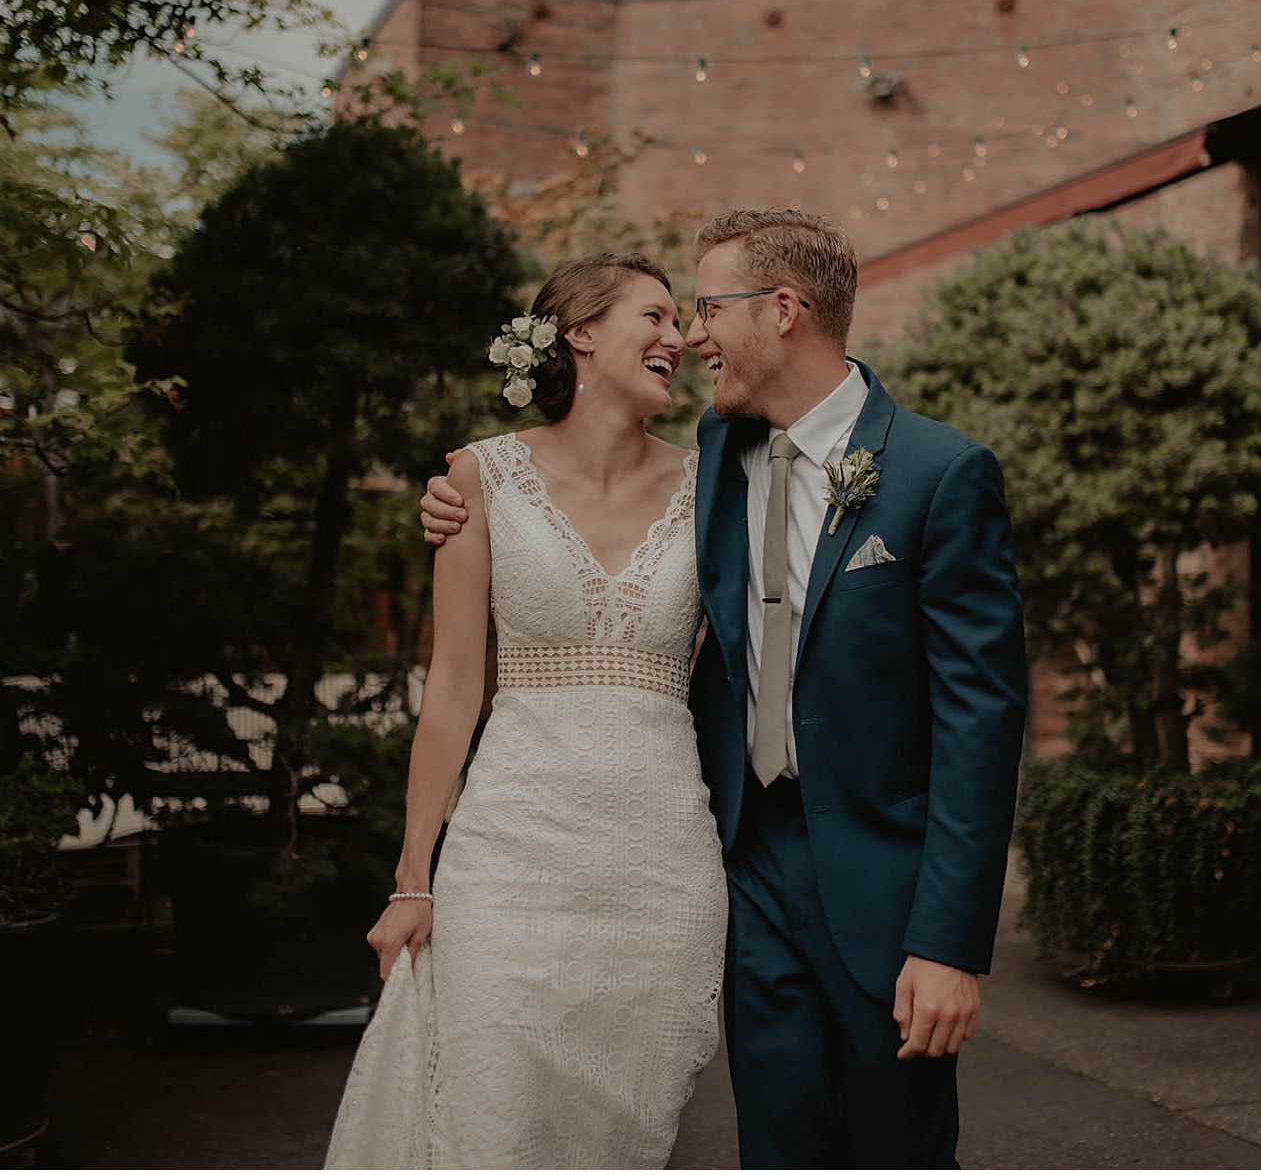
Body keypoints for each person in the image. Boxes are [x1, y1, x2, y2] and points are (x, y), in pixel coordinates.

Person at [420, 209, 1029, 1168]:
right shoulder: (718, 458)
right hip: (742, 871)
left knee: (896, 1151)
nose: (693, 335)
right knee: (775, 1147)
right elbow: (576, 482)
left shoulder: (935, 474)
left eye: (708, 308)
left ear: (783, 309)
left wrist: (950, 941)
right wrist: (461, 494)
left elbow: (980, 724)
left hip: (882, 890)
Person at [326, 252, 726, 1169]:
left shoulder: (718, 487)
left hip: (661, 869)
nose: (679, 339)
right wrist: (413, 878)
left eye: (682, 324)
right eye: (657, 317)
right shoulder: (476, 477)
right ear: (580, 333)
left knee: (626, 1135)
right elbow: (455, 688)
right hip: (511, 859)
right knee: (494, 1117)